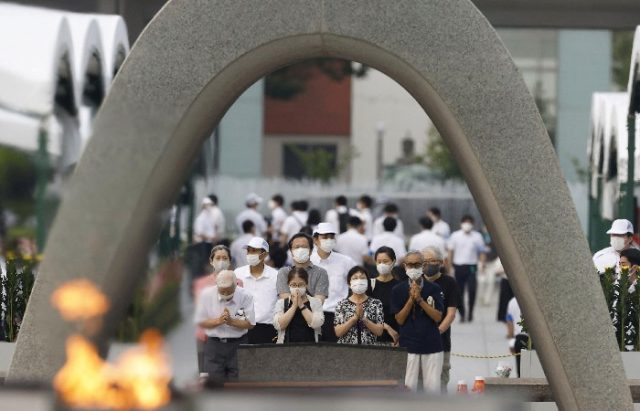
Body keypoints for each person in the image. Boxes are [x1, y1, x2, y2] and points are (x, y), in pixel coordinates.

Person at [391, 251, 444, 393]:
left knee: (433, 389)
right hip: (409, 344)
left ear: (424, 265)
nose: (413, 268)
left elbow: (438, 317)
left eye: (417, 264)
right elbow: (400, 319)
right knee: (408, 387)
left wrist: (420, 300)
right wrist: (411, 299)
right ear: (404, 266)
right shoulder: (398, 289)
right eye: (410, 264)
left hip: (431, 343)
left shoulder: (434, 288)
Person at [194, 270, 255, 382]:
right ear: (216, 285)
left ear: (235, 285)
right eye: (223, 291)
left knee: (238, 384)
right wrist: (219, 321)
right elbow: (201, 321)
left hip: (238, 344)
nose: (226, 294)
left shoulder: (246, 296)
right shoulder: (206, 294)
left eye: (229, 291)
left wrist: (231, 321)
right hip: (214, 345)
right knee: (214, 384)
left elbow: (250, 323)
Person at [193, 245, 237, 372]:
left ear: (229, 261)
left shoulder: (238, 282)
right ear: (211, 261)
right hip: (205, 337)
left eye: (224, 258)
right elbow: (201, 310)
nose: (221, 261)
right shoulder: (201, 284)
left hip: (231, 338)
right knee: (205, 376)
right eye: (218, 258)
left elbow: (239, 308)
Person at [310, 222, 357, 342]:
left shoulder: (345, 261)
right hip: (312, 315)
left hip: (338, 316)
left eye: (331, 237)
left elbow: (359, 281)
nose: (329, 240)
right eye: (325, 237)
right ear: (316, 240)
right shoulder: (308, 262)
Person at [422, 246, 459, 393]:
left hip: (441, 341)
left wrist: (438, 331)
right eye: (424, 261)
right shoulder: (414, 282)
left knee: (440, 382)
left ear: (440, 262)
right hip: (417, 341)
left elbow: (451, 313)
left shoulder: (449, 283)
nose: (427, 264)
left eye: (431, 261)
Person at [234, 237, 278, 344]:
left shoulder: (275, 275)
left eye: (254, 250)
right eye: (248, 250)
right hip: (242, 328)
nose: (250, 254)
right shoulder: (238, 273)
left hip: (268, 328)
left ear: (264, 254)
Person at [447, 215, 487, 322]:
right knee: (459, 291)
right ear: (461, 224)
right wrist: (449, 266)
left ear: (472, 225)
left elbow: (482, 251)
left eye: (469, 223)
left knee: (472, 289)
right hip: (459, 266)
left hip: (472, 266)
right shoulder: (455, 235)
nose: (467, 225)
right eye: (465, 222)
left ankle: (470, 312)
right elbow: (450, 251)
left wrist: (482, 264)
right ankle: (462, 313)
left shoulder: (477, 236)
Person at [334, 266, 384, 344]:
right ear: (349, 283)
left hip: (370, 350)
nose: (359, 281)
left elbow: (379, 331)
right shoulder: (341, 304)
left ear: (367, 282)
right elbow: (338, 332)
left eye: (362, 278)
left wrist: (363, 318)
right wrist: (355, 318)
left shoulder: (376, 303)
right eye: (355, 278)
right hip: (346, 350)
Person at [273, 266, 325, 343]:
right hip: (286, 348)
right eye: (293, 285)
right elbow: (279, 325)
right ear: (288, 285)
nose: (297, 288)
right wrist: (294, 306)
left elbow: (316, 323)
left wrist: (301, 305)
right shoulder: (281, 303)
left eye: (300, 285)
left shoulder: (315, 302)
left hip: (311, 347)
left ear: (306, 284)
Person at [276, 232, 329, 301]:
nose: (300, 250)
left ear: (311, 251)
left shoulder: (321, 273)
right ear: (291, 251)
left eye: (304, 247)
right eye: (297, 247)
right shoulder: (284, 272)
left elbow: (318, 303)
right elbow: (286, 301)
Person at [370, 246, 400, 345]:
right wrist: (386, 327)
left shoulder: (400, 287)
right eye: (379, 261)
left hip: (394, 341)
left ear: (393, 262)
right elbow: (365, 314)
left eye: (385, 261)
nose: (382, 264)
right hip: (372, 340)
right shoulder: (370, 285)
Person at [505, 296, 528, 377]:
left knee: (521, 371)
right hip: (534, 340)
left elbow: (510, 323)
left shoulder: (512, 302)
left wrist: (511, 343)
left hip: (519, 339)